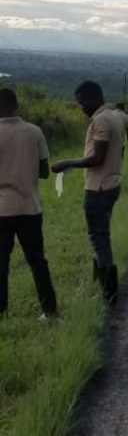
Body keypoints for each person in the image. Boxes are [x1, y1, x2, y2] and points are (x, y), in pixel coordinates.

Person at [52, 81, 124, 304]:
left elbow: (97, 158)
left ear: (93, 97)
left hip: (99, 188)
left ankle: (108, 295)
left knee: (98, 239)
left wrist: (66, 163)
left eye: (82, 102)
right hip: (110, 184)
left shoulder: (102, 119)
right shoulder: (115, 116)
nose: (81, 107)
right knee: (101, 236)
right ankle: (101, 288)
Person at [0, 88, 58, 319]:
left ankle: (1, 310)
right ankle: (49, 309)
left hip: (2, 209)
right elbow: (44, 172)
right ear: (16, 106)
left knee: (0, 263)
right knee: (37, 260)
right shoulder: (34, 131)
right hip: (30, 207)